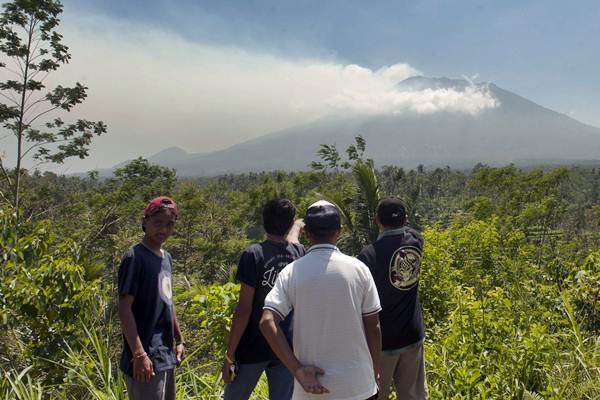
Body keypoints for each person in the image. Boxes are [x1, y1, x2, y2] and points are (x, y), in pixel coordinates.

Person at [260, 200, 382, 400]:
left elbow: (267, 322)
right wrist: (374, 369)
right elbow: (373, 326)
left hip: (311, 390)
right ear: (340, 231)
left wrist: (297, 370)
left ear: (306, 233)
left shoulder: (292, 272)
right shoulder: (359, 270)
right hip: (357, 385)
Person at [222, 198, 305, 400]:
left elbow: (244, 309)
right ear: (290, 223)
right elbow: (293, 242)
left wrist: (229, 354)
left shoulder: (254, 254)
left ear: (263, 221)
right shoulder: (298, 253)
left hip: (253, 345)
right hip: (285, 347)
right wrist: (296, 226)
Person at [357, 198, 428, 400]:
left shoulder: (368, 256)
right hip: (412, 335)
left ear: (377, 220)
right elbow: (410, 230)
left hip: (382, 342)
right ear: (406, 219)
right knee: (413, 395)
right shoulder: (416, 241)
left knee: (378, 395)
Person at [118, 196, 185, 400]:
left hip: (165, 354)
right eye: (157, 223)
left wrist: (179, 339)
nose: (163, 230)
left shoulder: (166, 258)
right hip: (144, 357)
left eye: (169, 224)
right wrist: (138, 354)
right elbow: (124, 308)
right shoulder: (135, 258)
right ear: (145, 221)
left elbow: (168, 302)